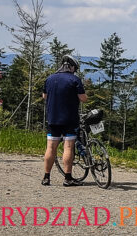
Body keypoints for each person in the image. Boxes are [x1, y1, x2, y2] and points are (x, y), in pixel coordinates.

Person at [41, 55, 87, 186]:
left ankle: (46, 177)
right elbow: (83, 98)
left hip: (53, 118)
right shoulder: (74, 79)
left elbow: (44, 96)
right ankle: (67, 178)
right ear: (72, 67)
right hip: (69, 118)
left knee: (50, 147)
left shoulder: (49, 78)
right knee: (68, 147)